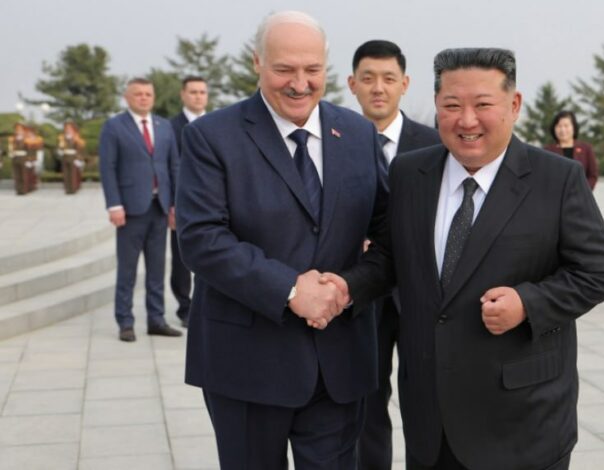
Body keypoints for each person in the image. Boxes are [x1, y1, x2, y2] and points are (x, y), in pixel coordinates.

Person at [328, 48, 604, 470]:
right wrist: (346, 287)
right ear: (436, 105)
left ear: (514, 104)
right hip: (431, 418)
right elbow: (392, 255)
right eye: (452, 105)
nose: (467, 121)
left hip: (522, 420)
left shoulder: (556, 178)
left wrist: (528, 303)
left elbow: (598, 271)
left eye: (483, 105)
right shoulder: (410, 173)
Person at [175, 11, 388, 470]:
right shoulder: (211, 137)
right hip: (247, 365)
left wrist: (347, 287)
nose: (300, 84)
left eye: (312, 69)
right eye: (284, 69)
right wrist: (291, 290)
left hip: (339, 362)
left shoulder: (357, 135)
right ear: (257, 62)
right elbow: (201, 239)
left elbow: (391, 237)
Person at [347, 39, 440, 470]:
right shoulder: (337, 141)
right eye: (368, 79)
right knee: (367, 401)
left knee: (428, 399)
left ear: (405, 84)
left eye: (388, 78)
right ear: (352, 84)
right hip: (362, 294)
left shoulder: (435, 144)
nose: (378, 88)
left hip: (423, 294)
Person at [98, 77, 182, 342]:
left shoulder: (164, 126)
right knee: (128, 270)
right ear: (127, 97)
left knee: (157, 269)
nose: (144, 98)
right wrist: (114, 204)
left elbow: (174, 167)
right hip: (130, 209)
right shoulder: (114, 126)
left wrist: (174, 205)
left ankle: (156, 320)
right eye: (138, 94)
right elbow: (108, 168)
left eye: (148, 94)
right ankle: (125, 321)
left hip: (160, 207)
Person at [168, 76, 209, 328]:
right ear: (183, 95)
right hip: (182, 202)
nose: (198, 96)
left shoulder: (218, 124)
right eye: (193, 92)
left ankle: (205, 305)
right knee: (182, 258)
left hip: (214, 200)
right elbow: (168, 167)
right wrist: (171, 204)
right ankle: (185, 307)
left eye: (202, 92)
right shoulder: (170, 127)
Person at [544, 110, 598, 189]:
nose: (562, 130)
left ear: (574, 127)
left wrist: (584, 190)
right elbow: (543, 176)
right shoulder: (547, 151)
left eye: (566, 126)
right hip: (554, 194)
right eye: (559, 126)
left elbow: (593, 175)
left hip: (581, 194)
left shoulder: (586, 148)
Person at [9, 123, 43, 195]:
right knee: (17, 175)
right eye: (17, 130)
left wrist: (29, 160)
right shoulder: (13, 139)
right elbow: (11, 148)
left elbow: (30, 150)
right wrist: (11, 154)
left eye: (20, 130)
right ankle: (18, 190)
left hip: (24, 158)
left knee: (24, 175)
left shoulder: (26, 139)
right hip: (16, 158)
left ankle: (24, 190)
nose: (18, 131)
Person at [57, 121, 86, 194]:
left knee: (73, 174)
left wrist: (79, 159)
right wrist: (60, 150)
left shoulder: (76, 138)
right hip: (65, 157)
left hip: (73, 157)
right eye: (66, 128)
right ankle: (67, 189)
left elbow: (79, 150)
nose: (68, 130)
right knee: (66, 174)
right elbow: (60, 148)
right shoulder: (62, 138)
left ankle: (73, 189)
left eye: (70, 128)